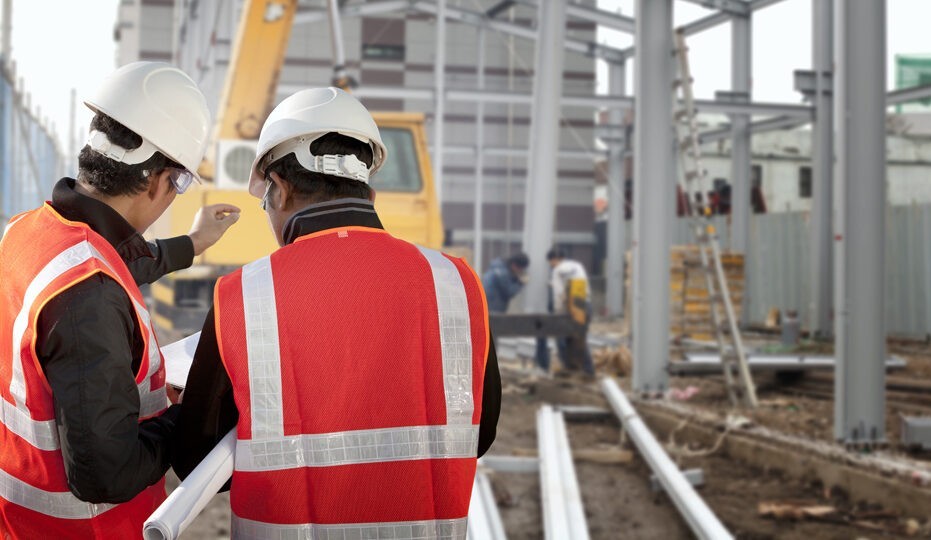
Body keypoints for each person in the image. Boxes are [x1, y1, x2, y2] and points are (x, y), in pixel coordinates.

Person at [173, 87, 501, 537]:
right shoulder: (458, 284)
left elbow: (196, 457)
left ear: (281, 190)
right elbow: (477, 435)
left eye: (264, 200)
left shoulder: (242, 295)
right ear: (367, 183)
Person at [0, 62, 239, 539]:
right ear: (158, 181)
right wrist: (183, 416)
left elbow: (113, 262)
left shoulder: (27, 232)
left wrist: (192, 244)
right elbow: (103, 474)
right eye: (179, 183)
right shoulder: (88, 295)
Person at [547, 247, 595, 377]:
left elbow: (558, 295)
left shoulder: (557, 271)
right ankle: (588, 370)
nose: (550, 266)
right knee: (579, 339)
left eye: (550, 263)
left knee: (561, 339)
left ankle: (568, 369)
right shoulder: (578, 265)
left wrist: (558, 314)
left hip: (569, 310)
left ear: (554, 259)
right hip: (585, 305)